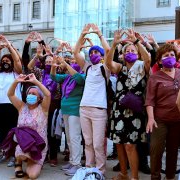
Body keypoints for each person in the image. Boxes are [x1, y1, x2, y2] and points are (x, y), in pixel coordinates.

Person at [106, 29, 151, 180]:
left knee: (130, 145)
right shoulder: (120, 67)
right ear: (123, 54)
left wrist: (137, 42)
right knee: (119, 143)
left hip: (135, 111)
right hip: (119, 110)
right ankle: (123, 173)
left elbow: (148, 59)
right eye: (127, 50)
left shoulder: (142, 66)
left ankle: (135, 177)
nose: (130, 52)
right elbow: (108, 63)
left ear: (137, 54)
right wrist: (114, 45)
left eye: (133, 50)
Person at [145, 43, 180, 180]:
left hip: (178, 119)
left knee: (173, 150)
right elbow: (150, 100)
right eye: (166, 55)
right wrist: (151, 118)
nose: (170, 57)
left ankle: (170, 177)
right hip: (159, 120)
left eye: (172, 55)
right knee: (156, 150)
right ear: (159, 60)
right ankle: (155, 177)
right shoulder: (155, 77)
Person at [74, 23, 110, 174]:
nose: (93, 54)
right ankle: (89, 170)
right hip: (84, 109)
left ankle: (100, 171)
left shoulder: (105, 68)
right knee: (87, 143)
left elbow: (108, 50)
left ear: (101, 56)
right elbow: (76, 52)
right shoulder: (87, 67)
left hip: (99, 110)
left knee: (97, 144)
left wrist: (99, 34)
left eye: (97, 52)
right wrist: (82, 35)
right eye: (92, 52)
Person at [2, 73, 51, 179]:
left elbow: (48, 95)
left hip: (39, 145)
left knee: (32, 175)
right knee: (21, 154)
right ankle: (18, 163)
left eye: (34, 94)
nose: (31, 95)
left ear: (39, 98)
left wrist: (35, 82)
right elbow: (10, 94)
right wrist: (16, 81)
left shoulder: (43, 109)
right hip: (24, 143)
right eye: (29, 93)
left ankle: (32, 161)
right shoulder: (21, 107)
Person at [0, 35, 22, 165]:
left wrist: (8, 46)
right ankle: (4, 153)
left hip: (12, 105)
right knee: (2, 131)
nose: (6, 62)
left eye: (8, 60)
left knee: (12, 131)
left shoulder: (17, 72)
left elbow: (17, 60)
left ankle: (14, 155)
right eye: (4, 60)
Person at [50, 55, 85, 176]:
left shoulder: (82, 75)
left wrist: (65, 63)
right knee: (69, 138)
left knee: (75, 137)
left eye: (76, 62)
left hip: (75, 111)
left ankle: (77, 164)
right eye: (72, 62)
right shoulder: (66, 77)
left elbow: (78, 79)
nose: (73, 63)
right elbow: (53, 76)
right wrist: (54, 65)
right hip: (65, 110)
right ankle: (72, 161)